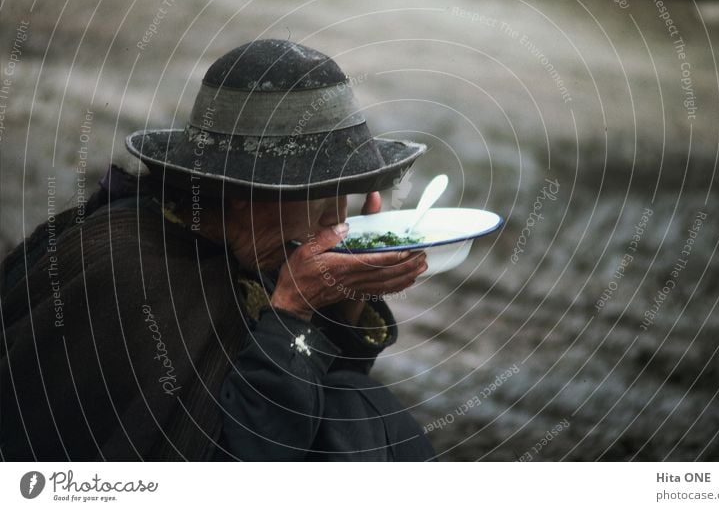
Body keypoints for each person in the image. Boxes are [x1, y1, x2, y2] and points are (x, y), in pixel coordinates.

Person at [0, 39, 436, 461]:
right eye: (320, 192)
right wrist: (290, 313)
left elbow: (323, 390)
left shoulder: (251, 244)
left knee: (363, 415)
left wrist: (343, 301)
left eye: (346, 192)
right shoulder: (129, 275)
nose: (336, 218)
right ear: (244, 193)